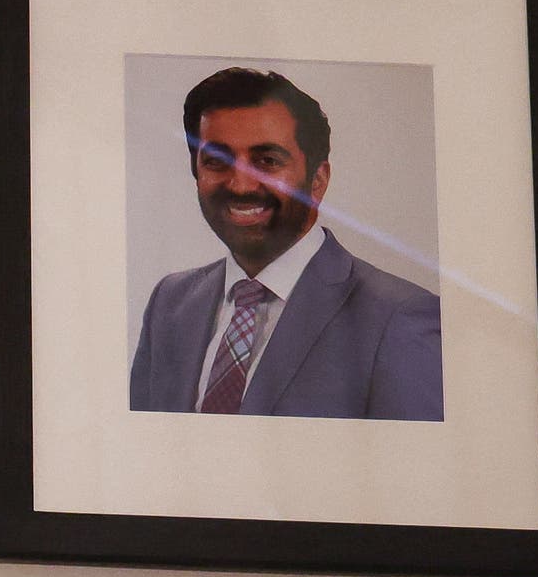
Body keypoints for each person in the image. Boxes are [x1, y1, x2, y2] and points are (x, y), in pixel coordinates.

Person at [128, 66, 445, 421]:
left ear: (318, 180)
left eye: (267, 161)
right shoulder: (170, 303)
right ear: (196, 172)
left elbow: (418, 468)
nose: (241, 185)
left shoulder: (399, 318)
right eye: (216, 161)